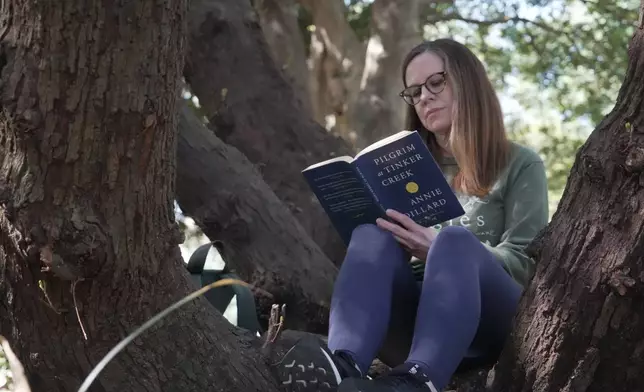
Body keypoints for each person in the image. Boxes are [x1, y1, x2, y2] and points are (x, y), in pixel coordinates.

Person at [275, 38, 549, 392]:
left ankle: (421, 383)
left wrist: (435, 248)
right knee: (370, 234)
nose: (424, 98)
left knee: (452, 241)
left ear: (468, 81)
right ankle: (343, 365)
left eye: (436, 83)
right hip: (413, 322)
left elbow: (526, 262)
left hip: (491, 319)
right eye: (414, 92)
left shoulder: (519, 163)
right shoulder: (403, 167)